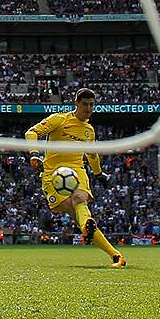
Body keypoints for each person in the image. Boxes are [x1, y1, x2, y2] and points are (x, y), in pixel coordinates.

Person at [25, 88, 127, 268]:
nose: (88, 109)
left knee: (80, 199)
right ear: (76, 103)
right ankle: (99, 239)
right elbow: (31, 133)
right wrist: (34, 154)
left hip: (76, 170)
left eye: (91, 105)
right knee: (76, 212)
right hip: (52, 174)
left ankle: (116, 256)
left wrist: (99, 174)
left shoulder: (89, 131)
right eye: (85, 104)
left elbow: (92, 155)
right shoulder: (59, 119)